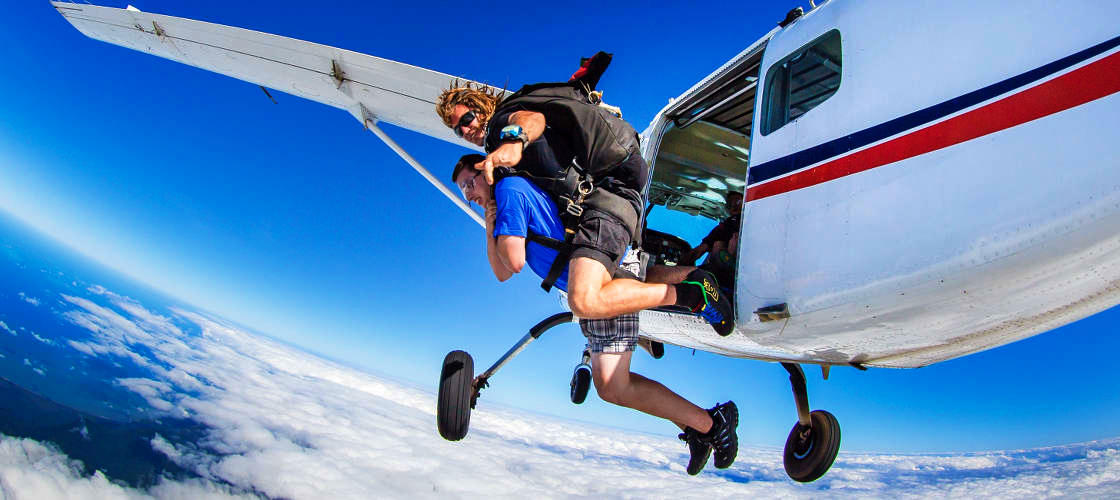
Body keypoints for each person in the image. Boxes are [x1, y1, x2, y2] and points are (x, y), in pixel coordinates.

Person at [452, 154, 738, 475]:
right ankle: (701, 289)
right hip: (596, 264)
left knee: (612, 386)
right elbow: (502, 272)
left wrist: (494, 222)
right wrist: (491, 222)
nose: (468, 194)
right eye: (463, 190)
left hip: (593, 277)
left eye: (469, 183)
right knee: (645, 279)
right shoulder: (507, 196)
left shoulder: (508, 192)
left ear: (487, 171)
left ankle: (711, 425)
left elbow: (510, 264)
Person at [436, 82, 735, 336]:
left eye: (467, 119)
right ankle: (700, 279)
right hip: (603, 200)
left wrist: (515, 141)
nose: (466, 130)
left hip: (606, 199)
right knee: (629, 284)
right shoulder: (502, 161)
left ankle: (694, 297)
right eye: (459, 131)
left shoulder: (503, 123)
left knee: (585, 298)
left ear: (482, 107)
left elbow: (531, 119)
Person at [681, 191, 743, 289]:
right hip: (719, 272)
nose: (733, 206)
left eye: (737, 201)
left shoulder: (753, 222)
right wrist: (681, 266)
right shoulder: (725, 226)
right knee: (717, 245)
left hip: (741, 270)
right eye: (730, 204)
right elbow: (701, 249)